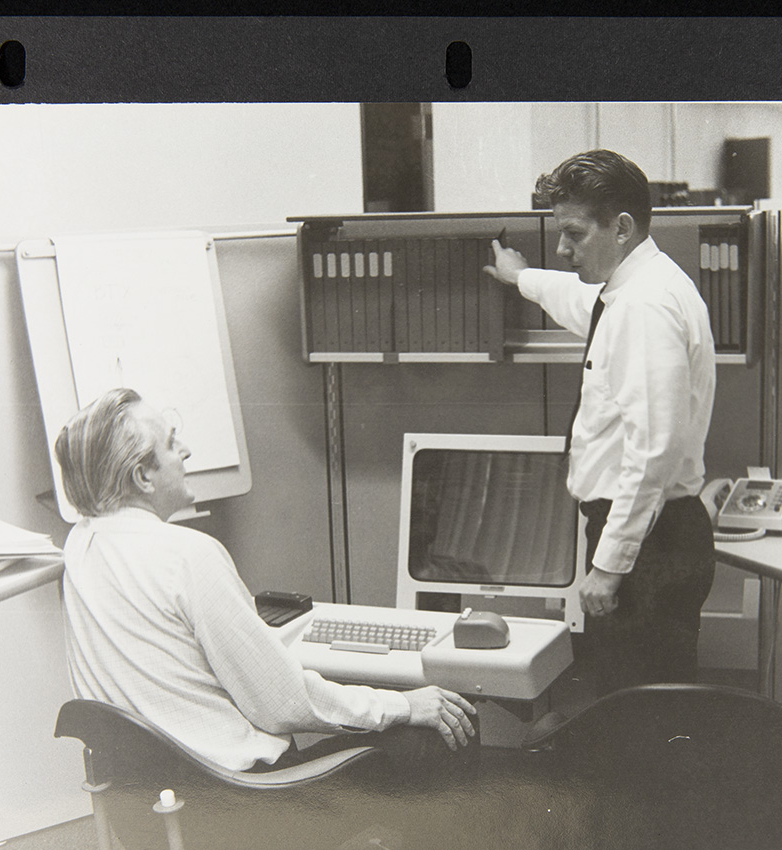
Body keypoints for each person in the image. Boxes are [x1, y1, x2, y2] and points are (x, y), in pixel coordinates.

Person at [53, 387, 476, 774]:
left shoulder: (79, 550)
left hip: (148, 820)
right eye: (170, 444)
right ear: (143, 477)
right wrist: (403, 704)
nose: (186, 452)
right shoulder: (187, 555)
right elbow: (282, 702)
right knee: (441, 726)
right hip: (246, 804)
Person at [484, 149, 717, 694]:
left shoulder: (644, 307)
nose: (563, 249)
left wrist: (610, 566)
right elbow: (585, 304)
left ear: (623, 227)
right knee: (645, 713)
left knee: (633, 723)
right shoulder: (638, 289)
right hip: (652, 534)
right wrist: (522, 278)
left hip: (643, 545)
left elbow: (654, 451)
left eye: (573, 233)